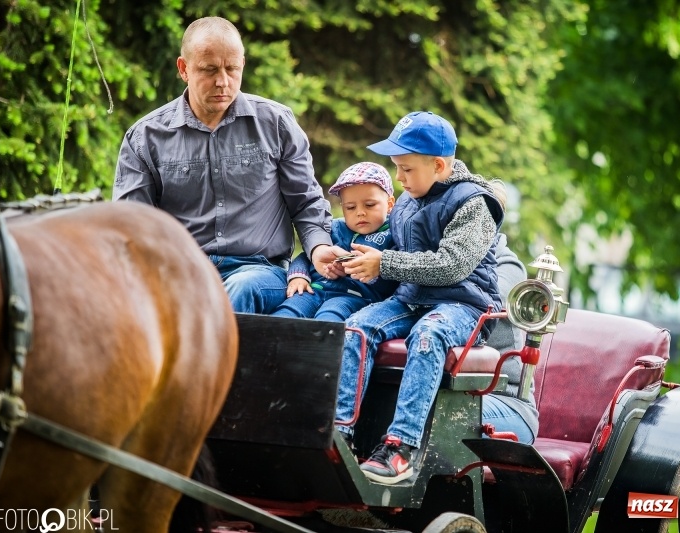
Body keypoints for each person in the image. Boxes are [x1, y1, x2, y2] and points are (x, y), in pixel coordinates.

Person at [112, 16, 344, 314]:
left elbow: (306, 203)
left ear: (242, 65)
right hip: (182, 273)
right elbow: (132, 225)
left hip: (259, 273)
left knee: (240, 289)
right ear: (183, 68)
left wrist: (318, 247)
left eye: (231, 68)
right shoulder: (144, 137)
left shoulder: (277, 124)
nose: (222, 81)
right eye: (209, 70)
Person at [334, 111, 504, 485]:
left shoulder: (475, 204)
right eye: (396, 167)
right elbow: (385, 255)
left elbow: (451, 266)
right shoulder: (409, 201)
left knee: (428, 336)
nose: (399, 178)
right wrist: (350, 259)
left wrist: (385, 263)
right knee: (356, 329)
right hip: (412, 298)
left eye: (406, 169)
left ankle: (401, 448)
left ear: (439, 165)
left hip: (463, 305)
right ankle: (340, 434)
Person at [272, 162, 399, 321]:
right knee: (288, 311)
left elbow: (394, 282)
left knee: (330, 318)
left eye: (369, 205)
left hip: (354, 297)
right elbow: (307, 256)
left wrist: (369, 271)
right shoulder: (335, 228)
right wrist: (299, 277)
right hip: (315, 290)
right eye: (350, 207)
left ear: (389, 205)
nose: (360, 212)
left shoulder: (394, 235)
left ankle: (321, 345)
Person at [482, 179, 539, 445]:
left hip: (508, 403)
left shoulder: (508, 267)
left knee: (440, 414)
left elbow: (479, 309)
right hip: (458, 393)